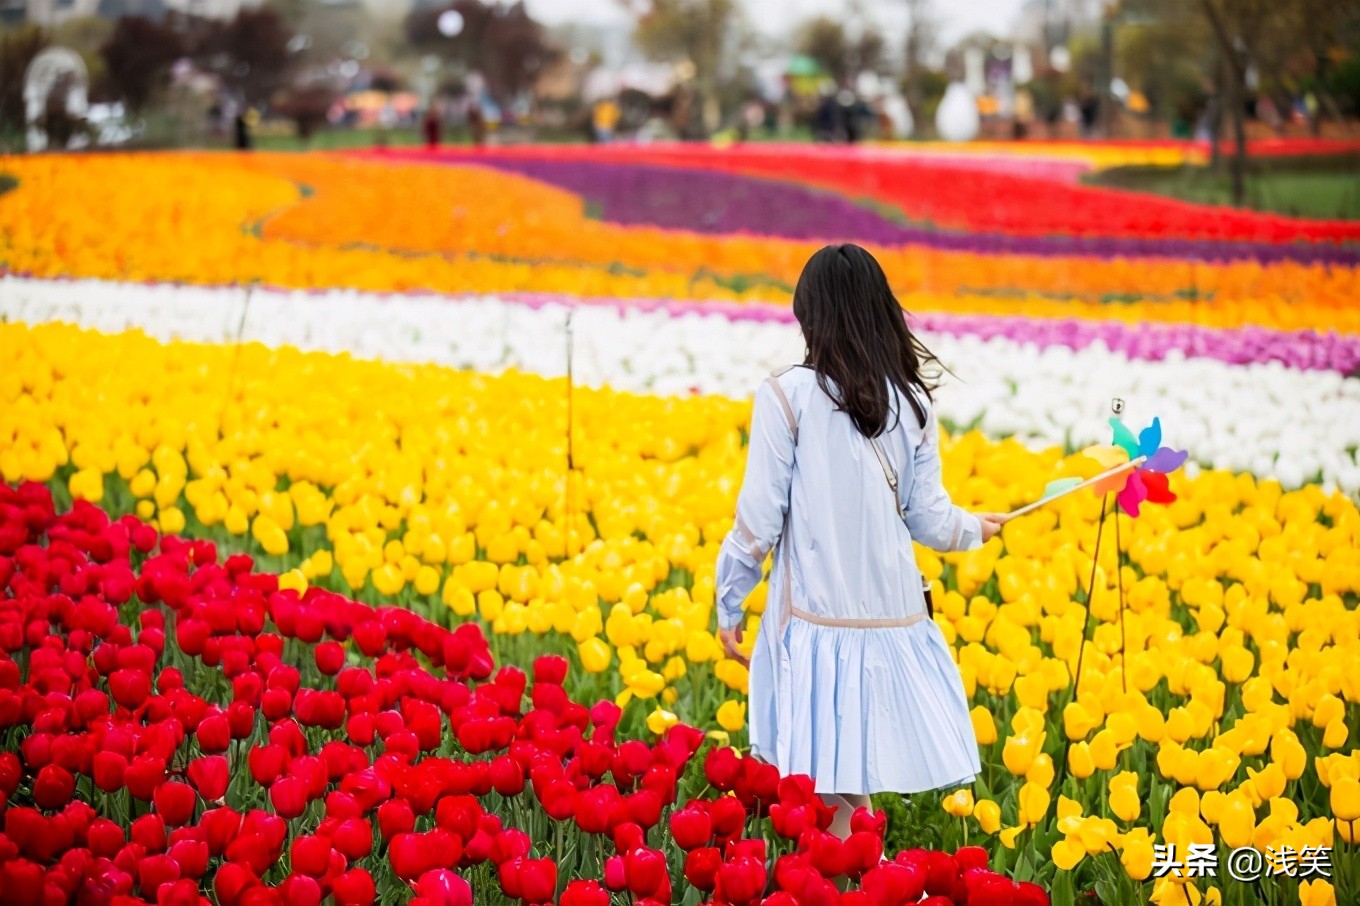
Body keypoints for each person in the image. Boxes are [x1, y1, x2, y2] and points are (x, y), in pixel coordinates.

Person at [715, 243, 1003, 842]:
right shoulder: (912, 402)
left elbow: (759, 518)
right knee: (849, 781)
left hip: (814, 622)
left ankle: (845, 880)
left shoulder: (787, 397)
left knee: (825, 786)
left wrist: (728, 599)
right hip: (887, 621)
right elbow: (929, 520)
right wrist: (976, 527)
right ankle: (861, 877)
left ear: (809, 316)